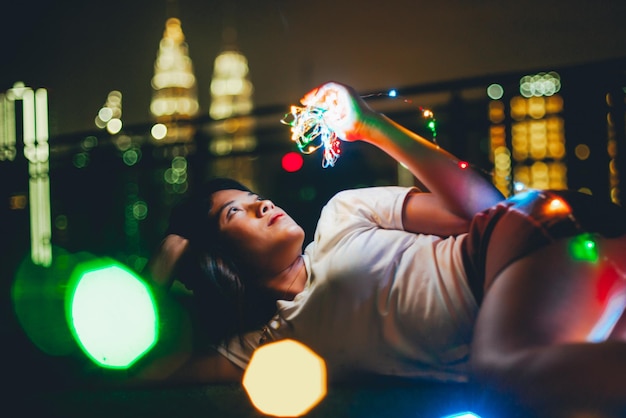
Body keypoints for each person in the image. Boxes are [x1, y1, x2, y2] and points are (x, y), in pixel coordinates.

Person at [139, 81, 626, 416]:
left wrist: (370, 126)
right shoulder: (267, 344)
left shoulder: (343, 214)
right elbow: (150, 371)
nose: (261, 203)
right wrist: (169, 257)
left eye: (252, 197)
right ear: (218, 263)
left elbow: (485, 207)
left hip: (514, 247)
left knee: (504, 382)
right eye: (235, 213)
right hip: (557, 293)